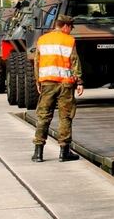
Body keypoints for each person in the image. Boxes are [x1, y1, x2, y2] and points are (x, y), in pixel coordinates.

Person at [31, 14, 83, 162]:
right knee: (65, 116)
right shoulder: (69, 40)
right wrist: (79, 82)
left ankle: (38, 153)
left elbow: (37, 62)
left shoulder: (42, 40)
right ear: (65, 26)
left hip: (47, 83)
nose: (71, 31)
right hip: (66, 84)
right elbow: (75, 62)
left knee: (43, 116)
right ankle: (64, 152)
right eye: (70, 28)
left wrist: (38, 81)